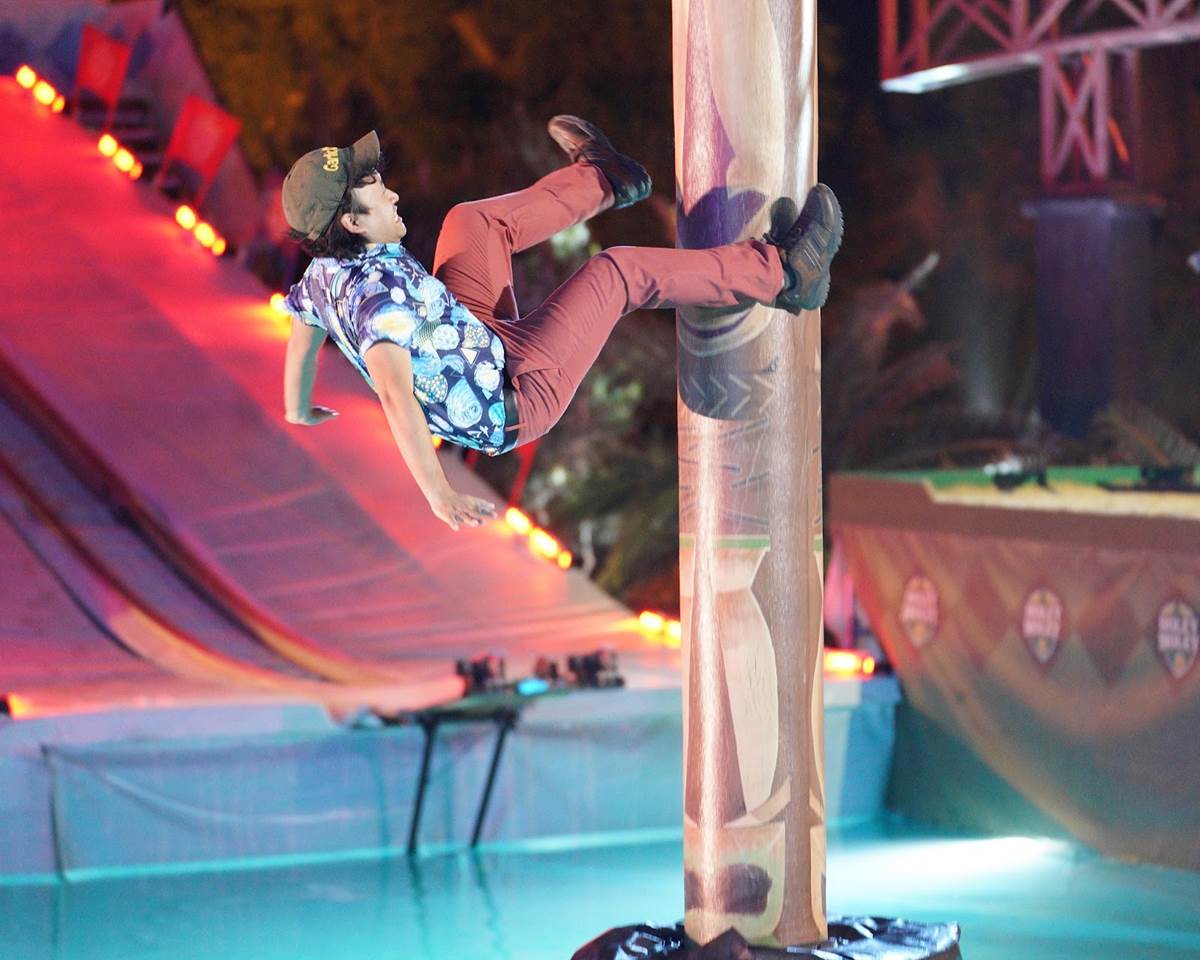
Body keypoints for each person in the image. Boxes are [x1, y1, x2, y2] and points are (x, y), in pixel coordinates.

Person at [279, 117, 842, 531]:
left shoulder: (323, 273)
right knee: (617, 272)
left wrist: (297, 407)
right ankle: (786, 272)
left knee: (471, 222)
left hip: (472, 335)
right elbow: (394, 395)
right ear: (353, 223)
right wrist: (439, 493)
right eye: (379, 195)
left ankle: (606, 178)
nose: (394, 194)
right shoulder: (379, 306)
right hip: (516, 391)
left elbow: (303, 333)